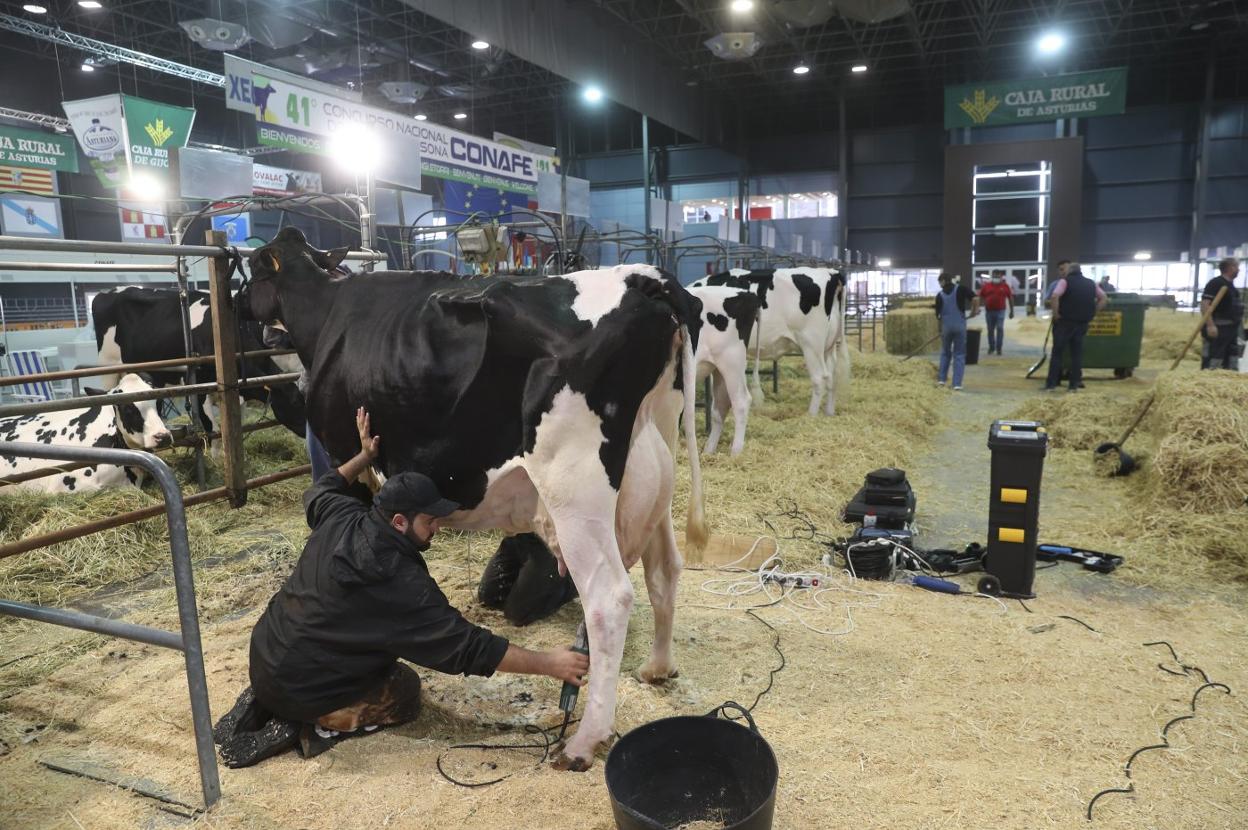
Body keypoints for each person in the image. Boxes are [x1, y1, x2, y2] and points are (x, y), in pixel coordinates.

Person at [213, 408, 590, 768]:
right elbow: (467, 646)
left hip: (264, 656)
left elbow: (321, 489)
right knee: (404, 690)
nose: (437, 528)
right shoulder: (398, 581)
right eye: (429, 521)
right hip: (304, 688)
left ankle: (282, 699)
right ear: (398, 522)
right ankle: (321, 725)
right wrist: (549, 664)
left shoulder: (344, 515)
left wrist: (363, 456)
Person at [1045, 264, 1108, 392]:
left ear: (1070, 271)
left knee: (1057, 353)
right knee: (1076, 354)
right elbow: (1104, 298)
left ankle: (1051, 384)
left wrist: (1056, 313)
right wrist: (1094, 312)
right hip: (1082, 323)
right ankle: (1073, 386)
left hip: (1065, 323)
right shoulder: (1091, 283)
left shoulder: (1064, 282)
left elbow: (1054, 296)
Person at [934, 272, 979, 390]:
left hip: (946, 328)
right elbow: (975, 298)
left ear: (943, 281)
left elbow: (938, 316)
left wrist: (940, 331)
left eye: (939, 282)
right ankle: (957, 383)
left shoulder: (939, 296)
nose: (939, 284)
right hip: (959, 326)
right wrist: (974, 311)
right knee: (959, 354)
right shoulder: (961, 289)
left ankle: (942, 380)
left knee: (945, 353)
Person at [1201, 257, 1243, 370]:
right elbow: (1205, 305)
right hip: (1218, 327)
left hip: (1231, 329)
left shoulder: (1231, 286)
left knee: (1231, 357)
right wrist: (1210, 325)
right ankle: (1209, 377)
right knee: (1214, 356)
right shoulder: (1216, 283)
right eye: (1237, 267)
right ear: (1230, 268)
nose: (1239, 270)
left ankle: (1227, 380)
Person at [978, 270, 1015, 356]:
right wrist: (978, 307)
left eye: (998, 277)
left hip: (1000, 311)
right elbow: (980, 297)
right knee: (990, 330)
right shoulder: (986, 286)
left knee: (999, 328)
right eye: (994, 276)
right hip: (989, 311)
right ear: (992, 276)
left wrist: (1012, 311)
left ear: (1001, 277)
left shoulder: (1005, 286)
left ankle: (999, 348)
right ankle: (991, 347)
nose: (996, 278)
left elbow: (1010, 298)